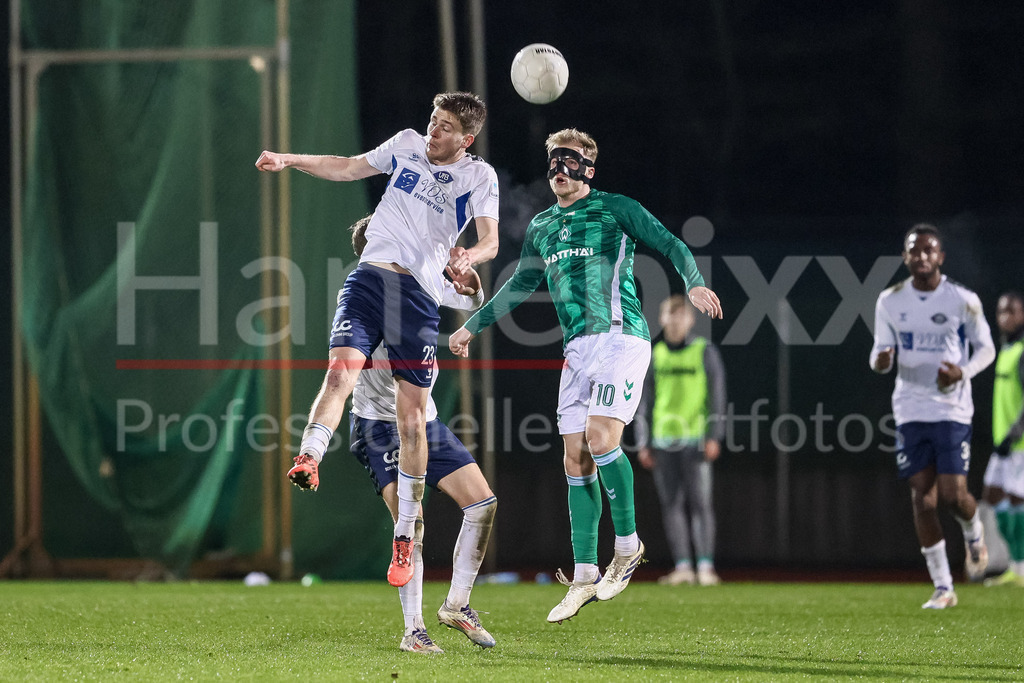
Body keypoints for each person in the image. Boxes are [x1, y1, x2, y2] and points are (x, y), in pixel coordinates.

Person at [449, 128, 723, 623]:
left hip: (622, 336)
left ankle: (627, 545)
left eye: (570, 161)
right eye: (554, 161)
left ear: (587, 170)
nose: (560, 170)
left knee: (600, 439)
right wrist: (473, 325)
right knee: (574, 459)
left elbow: (670, 243)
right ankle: (582, 575)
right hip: (577, 349)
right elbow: (518, 285)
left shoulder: (616, 208)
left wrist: (695, 282)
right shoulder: (542, 227)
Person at [255, 92, 499, 588]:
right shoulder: (407, 145)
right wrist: (289, 159)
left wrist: (468, 259)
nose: (433, 131)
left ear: (466, 138)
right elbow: (346, 167)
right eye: (433, 120)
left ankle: (405, 534)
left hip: (417, 296)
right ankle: (309, 455)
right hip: (368, 279)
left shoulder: (480, 176)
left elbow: (491, 240)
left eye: (446, 126)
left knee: (413, 420)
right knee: (339, 372)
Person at [345, 217, 497, 653]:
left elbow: (468, 303)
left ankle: (456, 605)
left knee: (483, 505)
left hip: (424, 422)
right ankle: (413, 631)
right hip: (380, 426)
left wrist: (473, 289)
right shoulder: (361, 302)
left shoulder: (417, 280)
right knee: (412, 524)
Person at [870, 223, 995, 609]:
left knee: (955, 496)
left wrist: (963, 372)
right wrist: (880, 360)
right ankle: (943, 587)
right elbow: (878, 353)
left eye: (929, 250)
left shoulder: (962, 300)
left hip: (952, 408)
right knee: (922, 499)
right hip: (910, 408)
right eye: (914, 250)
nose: (922, 256)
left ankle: (973, 533)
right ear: (905, 257)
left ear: (941, 257)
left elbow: (986, 349)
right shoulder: (889, 300)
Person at [636, 294, 726, 587]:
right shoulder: (655, 353)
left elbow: (717, 397)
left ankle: (706, 566)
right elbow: (643, 402)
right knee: (671, 505)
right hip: (663, 441)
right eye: (670, 316)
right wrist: (643, 442)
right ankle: (684, 566)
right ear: (661, 319)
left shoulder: (704, 351)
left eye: (681, 316)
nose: (675, 322)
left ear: (690, 319)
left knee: (701, 503)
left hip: (696, 439)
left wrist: (714, 435)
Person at [981, 291, 1024, 587]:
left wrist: (1015, 432)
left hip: (1019, 444)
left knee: (1016, 501)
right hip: (1004, 445)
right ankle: (1015, 565)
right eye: (1001, 311)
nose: (1005, 316)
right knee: (992, 497)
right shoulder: (1006, 349)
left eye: (1012, 311)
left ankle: (1019, 570)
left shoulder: (1022, 351)